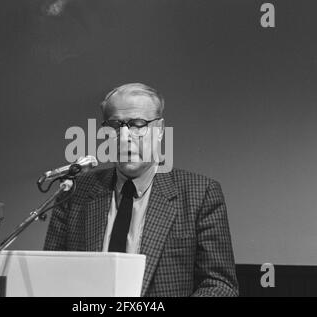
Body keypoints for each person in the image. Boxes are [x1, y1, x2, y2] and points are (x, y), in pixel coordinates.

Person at [44, 83, 239, 296]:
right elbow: (50, 278)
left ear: (160, 130)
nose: (126, 136)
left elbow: (220, 285)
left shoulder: (200, 194)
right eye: (116, 126)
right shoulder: (74, 192)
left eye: (138, 124)